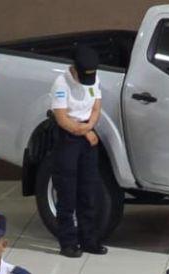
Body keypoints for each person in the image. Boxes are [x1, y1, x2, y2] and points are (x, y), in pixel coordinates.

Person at [49, 45, 107, 258]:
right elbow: (62, 118)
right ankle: (68, 242)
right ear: (74, 69)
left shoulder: (94, 77)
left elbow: (96, 106)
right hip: (68, 139)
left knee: (88, 190)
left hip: (87, 134)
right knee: (67, 192)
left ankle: (88, 239)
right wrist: (85, 131)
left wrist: (90, 125)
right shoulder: (61, 83)